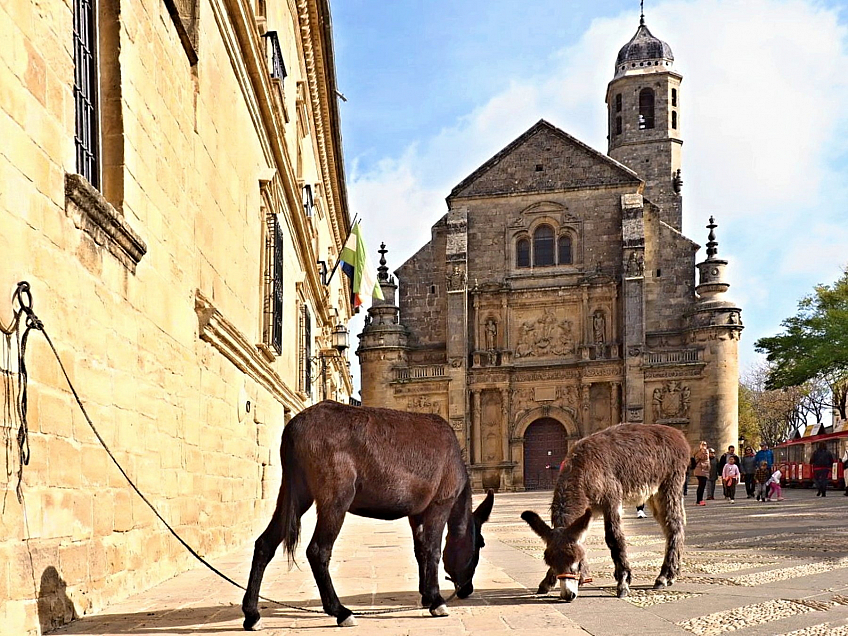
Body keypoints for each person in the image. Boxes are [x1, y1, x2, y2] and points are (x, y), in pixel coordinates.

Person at [692, 441, 711, 506]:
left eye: (705, 444)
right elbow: (704, 457)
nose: (705, 446)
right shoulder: (700, 452)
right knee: (701, 486)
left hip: (704, 470)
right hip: (701, 470)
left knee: (701, 486)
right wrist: (704, 451)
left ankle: (699, 500)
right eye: (703, 444)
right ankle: (699, 500)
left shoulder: (704, 451)